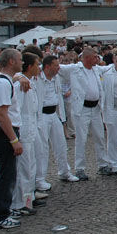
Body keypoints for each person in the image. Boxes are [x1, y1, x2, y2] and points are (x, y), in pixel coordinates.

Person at [58, 48, 110, 179]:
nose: (97, 59)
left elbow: (108, 68)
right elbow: (57, 68)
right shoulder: (75, 69)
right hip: (82, 109)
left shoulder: (96, 69)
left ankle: (103, 164)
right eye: (94, 57)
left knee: (100, 137)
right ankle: (79, 168)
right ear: (87, 58)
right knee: (81, 139)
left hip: (95, 108)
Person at [0, 49, 23, 229]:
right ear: (11, 62)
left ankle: (4, 210)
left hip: (3, 134)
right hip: (2, 135)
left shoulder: (4, 80)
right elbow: (1, 114)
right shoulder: (2, 83)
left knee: (8, 174)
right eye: (20, 59)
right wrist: (14, 140)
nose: (22, 62)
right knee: (6, 175)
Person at [34, 54, 78, 190]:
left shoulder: (56, 78)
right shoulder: (36, 77)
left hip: (54, 114)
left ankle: (64, 171)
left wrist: (62, 118)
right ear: (47, 67)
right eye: (56, 65)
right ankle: (39, 179)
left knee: (61, 144)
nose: (59, 68)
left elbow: (73, 68)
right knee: (42, 148)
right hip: (42, 115)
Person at [10, 52, 41, 217]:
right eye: (36, 64)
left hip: (31, 130)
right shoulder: (20, 85)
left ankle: (29, 198)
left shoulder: (30, 82)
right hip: (24, 131)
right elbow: (17, 111)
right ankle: (19, 203)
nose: (39, 68)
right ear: (29, 67)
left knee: (31, 166)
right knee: (23, 168)